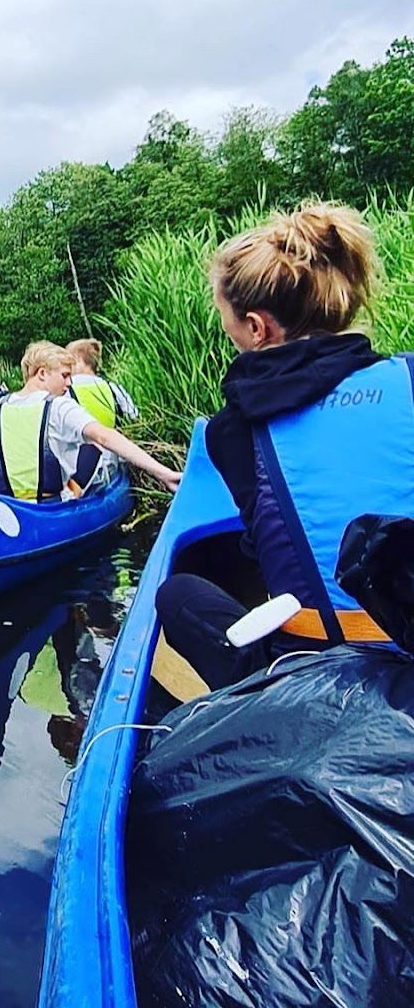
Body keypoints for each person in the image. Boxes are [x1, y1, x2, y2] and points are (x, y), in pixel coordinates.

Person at [156, 202, 410, 691]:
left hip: (320, 675)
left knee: (178, 595)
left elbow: (268, 548)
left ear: (256, 328)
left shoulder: (232, 432)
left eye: (227, 321)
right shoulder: (410, 377)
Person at [0, 342, 179, 501]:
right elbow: (105, 437)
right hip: (52, 508)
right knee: (93, 446)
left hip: (11, 504)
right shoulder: (58, 406)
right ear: (42, 373)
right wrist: (162, 473)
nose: (69, 383)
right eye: (65, 376)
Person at [66, 339, 138, 426]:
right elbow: (134, 416)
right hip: (113, 438)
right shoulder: (113, 387)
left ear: (77, 359)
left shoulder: (64, 390)